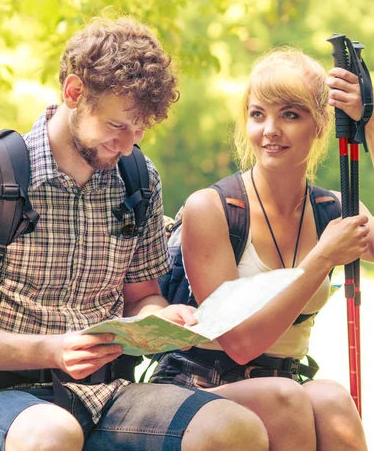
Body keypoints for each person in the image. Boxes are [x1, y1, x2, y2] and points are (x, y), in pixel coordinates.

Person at [0, 18, 270, 451]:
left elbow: (143, 295)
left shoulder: (139, 180)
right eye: (117, 126)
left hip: (107, 394)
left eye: (140, 130)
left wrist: (155, 319)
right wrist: (51, 350)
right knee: (53, 434)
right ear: (74, 93)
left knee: (236, 428)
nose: (128, 145)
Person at [150, 48, 372, 451]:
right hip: (199, 383)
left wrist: (369, 122)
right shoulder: (214, 208)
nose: (270, 129)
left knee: (332, 399)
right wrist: (323, 257)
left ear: (321, 124)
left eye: (290, 114)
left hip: (285, 382)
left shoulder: (333, 212)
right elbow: (241, 343)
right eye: (258, 114)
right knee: (286, 400)